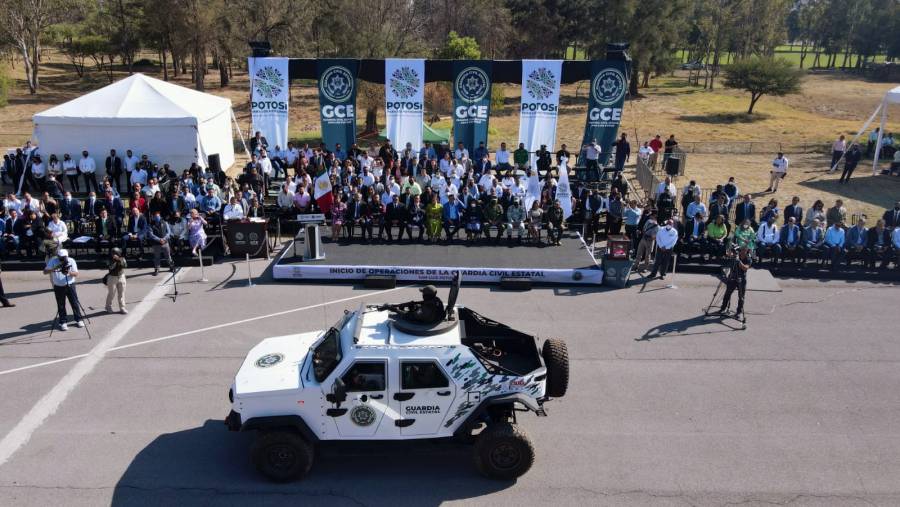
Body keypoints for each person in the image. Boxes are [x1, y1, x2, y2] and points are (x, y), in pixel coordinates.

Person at [43, 249, 83, 331]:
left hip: (70, 285)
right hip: (58, 286)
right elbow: (45, 272)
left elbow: (76, 274)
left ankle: (78, 319)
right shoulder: (53, 261)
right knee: (61, 305)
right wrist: (54, 268)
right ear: (58, 256)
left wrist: (68, 272)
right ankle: (63, 322)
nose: (63, 259)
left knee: (74, 302)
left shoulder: (71, 260)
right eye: (61, 257)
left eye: (65, 257)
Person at [718, 246, 751, 319]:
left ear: (746, 251)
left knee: (741, 297)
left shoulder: (748, 259)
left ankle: (739, 312)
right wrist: (730, 252)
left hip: (741, 279)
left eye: (744, 250)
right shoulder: (735, 256)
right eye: (741, 250)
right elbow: (728, 258)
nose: (742, 251)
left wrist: (739, 261)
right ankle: (723, 308)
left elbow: (745, 268)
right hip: (732, 278)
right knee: (727, 294)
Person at [147, 210, 173, 275]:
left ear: (160, 216)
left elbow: (168, 232)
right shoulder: (150, 225)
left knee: (168, 256)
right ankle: (157, 269)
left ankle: (171, 266)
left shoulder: (165, 222)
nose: (157, 217)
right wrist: (159, 240)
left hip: (165, 242)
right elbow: (151, 235)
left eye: (158, 216)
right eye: (155, 216)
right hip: (156, 244)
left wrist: (164, 239)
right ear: (153, 217)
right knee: (156, 257)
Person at [104, 247, 128, 314]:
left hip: (121, 277)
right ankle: (108, 307)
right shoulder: (109, 260)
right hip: (112, 278)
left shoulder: (122, 258)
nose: (114, 254)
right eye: (113, 253)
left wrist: (118, 259)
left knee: (121, 293)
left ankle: (122, 307)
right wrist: (115, 260)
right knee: (111, 293)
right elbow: (111, 267)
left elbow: (125, 265)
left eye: (116, 253)